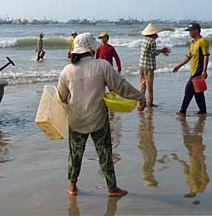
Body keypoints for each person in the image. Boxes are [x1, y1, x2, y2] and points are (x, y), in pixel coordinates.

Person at [57, 33, 146, 196]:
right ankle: (112, 188)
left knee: (75, 154)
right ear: (91, 49)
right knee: (105, 152)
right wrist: (139, 96)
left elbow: (61, 97)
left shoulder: (67, 71)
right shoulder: (102, 66)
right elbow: (120, 87)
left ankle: (72, 186)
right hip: (98, 118)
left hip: (76, 120)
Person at [173, 23, 209, 117]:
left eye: (190, 31)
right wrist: (179, 66)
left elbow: (206, 56)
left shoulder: (202, 41)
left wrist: (204, 71)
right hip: (193, 70)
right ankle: (203, 111)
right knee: (198, 92)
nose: (189, 33)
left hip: (199, 70)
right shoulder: (193, 43)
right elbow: (188, 57)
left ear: (196, 30)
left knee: (188, 89)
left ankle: (182, 111)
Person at [138, 23, 171, 107]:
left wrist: (161, 51)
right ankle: (149, 103)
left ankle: (141, 102)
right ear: (153, 34)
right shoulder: (152, 41)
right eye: (156, 33)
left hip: (141, 65)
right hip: (148, 67)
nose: (157, 35)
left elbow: (150, 51)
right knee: (149, 86)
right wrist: (162, 50)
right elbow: (154, 53)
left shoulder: (144, 39)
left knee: (142, 85)